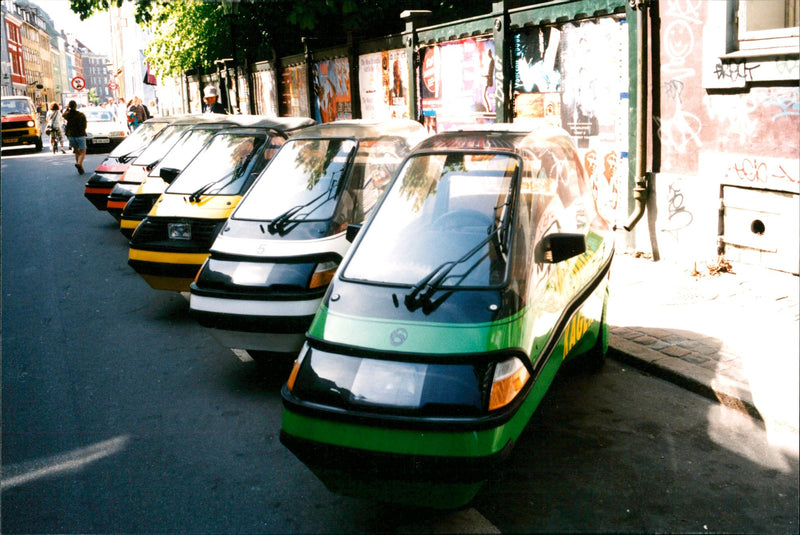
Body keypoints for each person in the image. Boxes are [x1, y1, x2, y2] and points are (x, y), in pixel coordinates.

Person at [63, 100, 87, 174]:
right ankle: (79, 164)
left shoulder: (68, 115)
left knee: (77, 151)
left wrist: (67, 109)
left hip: (71, 135)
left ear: (69, 106)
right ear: (76, 106)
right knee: (83, 151)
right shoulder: (81, 114)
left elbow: (63, 115)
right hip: (80, 135)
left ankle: (81, 168)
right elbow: (85, 125)